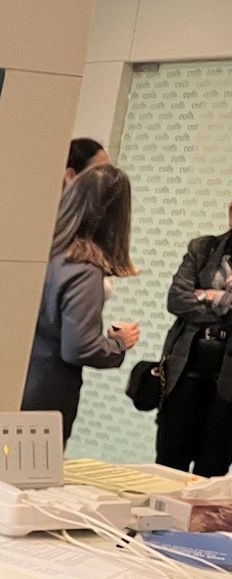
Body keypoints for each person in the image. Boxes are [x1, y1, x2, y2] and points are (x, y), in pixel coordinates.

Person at [21, 163, 141, 441]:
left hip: (18, 382)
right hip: (47, 393)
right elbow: (79, 348)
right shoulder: (84, 270)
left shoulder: (43, 253)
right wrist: (118, 342)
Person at [155, 197, 232, 476]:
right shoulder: (203, 248)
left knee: (212, 468)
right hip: (186, 367)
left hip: (227, 379)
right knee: (169, 460)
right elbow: (177, 299)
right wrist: (227, 304)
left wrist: (210, 295)